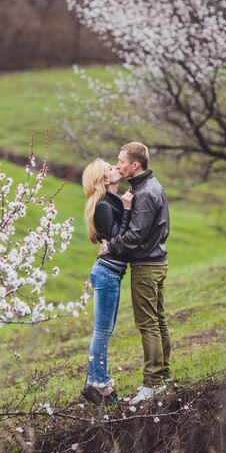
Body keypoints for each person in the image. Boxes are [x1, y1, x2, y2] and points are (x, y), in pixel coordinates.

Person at [99, 142, 171, 405]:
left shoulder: (144, 193)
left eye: (121, 161)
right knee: (158, 320)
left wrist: (110, 246)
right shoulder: (150, 186)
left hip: (146, 267)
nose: (118, 165)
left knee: (147, 323)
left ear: (135, 165)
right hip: (157, 262)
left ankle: (153, 384)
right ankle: (163, 377)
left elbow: (134, 237)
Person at [81, 158, 133, 406]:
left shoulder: (111, 201)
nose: (116, 169)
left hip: (111, 272)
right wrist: (127, 209)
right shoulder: (104, 205)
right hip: (107, 272)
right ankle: (101, 384)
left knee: (105, 331)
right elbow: (118, 239)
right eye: (111, 168)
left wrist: (124, 206)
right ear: (104, 179)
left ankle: (93, 383)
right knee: (102, 332)